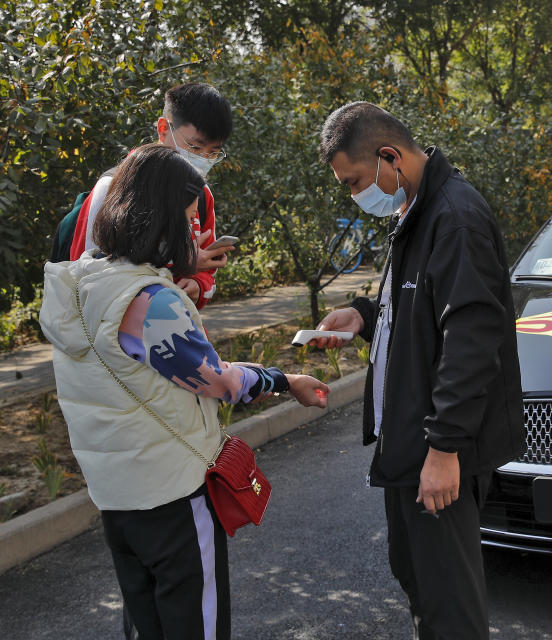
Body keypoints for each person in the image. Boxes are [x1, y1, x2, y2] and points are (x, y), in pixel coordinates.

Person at [39, 144, 329, 640]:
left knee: (148, 625)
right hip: (171, 497)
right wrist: (287, 380)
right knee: (196, 625)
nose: (195, 230)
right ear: (163, 217)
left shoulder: (82, 283)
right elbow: (219, 380)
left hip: (117, 500)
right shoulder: (151, 304)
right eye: (190, 220)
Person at [312, 102, 525, 639]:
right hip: (410, 445)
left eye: (356, 180)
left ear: (390, 156)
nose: (355, 194)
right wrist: (363, 314)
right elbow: (419, 306)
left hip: (438, 452)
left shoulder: (454, 217)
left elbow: (472, 342)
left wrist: (444, 449)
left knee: (448, 604)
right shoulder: (415, 209)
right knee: (420, 584)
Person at [69, 82, 235, 309]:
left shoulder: (201, 193)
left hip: (175, 329)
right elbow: (85, 277)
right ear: (163, 129)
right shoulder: (113, 188)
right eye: (195, 148)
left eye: (213, 152)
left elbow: (206, 273)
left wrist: (197, 284)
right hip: (122, 337)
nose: (203, 158)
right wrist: (181, 265)